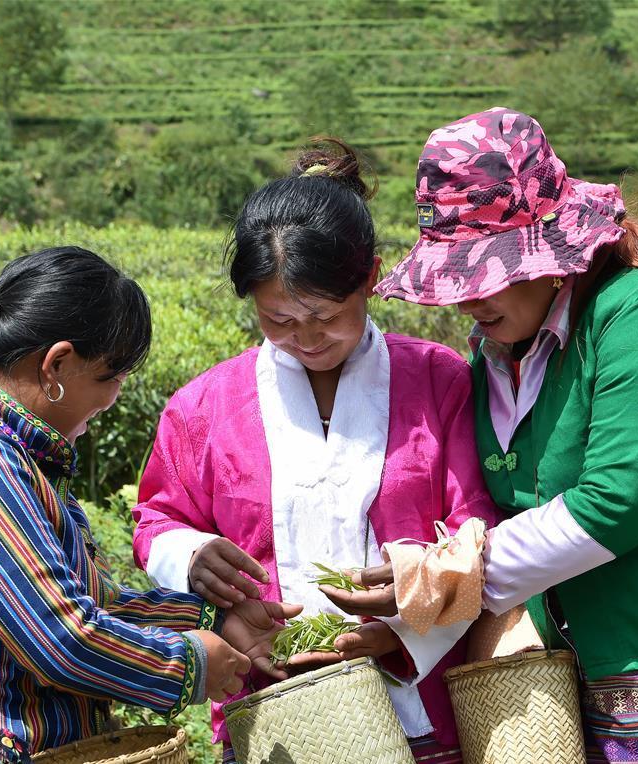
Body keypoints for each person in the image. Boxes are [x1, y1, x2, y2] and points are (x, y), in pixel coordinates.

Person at [336, 107, 638, 763]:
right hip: (579, 688)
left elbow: (615, 505)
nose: (470, 299)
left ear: (553, 248)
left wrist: (442, 580)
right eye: (461, 279)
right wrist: (415, 608)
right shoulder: (499, 356)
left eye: (489, 273)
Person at [0, 246, 299, 763]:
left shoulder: (21, 457)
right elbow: (61, 638)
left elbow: (96, 605)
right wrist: (191, 663)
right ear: (57, 364)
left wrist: (215, 618)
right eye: (111, 377)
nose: (115, 397)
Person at [131, 140, 501, 763]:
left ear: (371, 278)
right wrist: (191, 558)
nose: (305, 337)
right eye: (278, 319)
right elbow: (159, 518)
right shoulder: (204, 406)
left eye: (326, 314)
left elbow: (478, 527)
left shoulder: (440, 381)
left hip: (423, 711)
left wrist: (396, 630)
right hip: (273, 705)